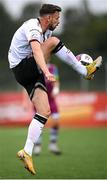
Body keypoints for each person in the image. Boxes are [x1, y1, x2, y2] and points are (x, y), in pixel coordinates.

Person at [8, 4, 102, 175]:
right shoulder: (33, 27)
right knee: (54, 41)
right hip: (21, 67)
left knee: (44, 111)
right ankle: (84, 71)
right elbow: (37, 51)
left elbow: (44, 53)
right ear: (48, 17)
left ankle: (27, 152)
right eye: (57, 18)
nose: (59, 21)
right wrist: (46, 71)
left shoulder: (47, 31)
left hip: (30, 73)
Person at [33, 63, 61, 155]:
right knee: (39, 123)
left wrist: (56, 88)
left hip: (51, 100)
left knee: (56, 121)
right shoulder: (35, 66)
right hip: (39, 99)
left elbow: (56, 80)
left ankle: (53, 144)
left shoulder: (53, 67)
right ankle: (37, 145)